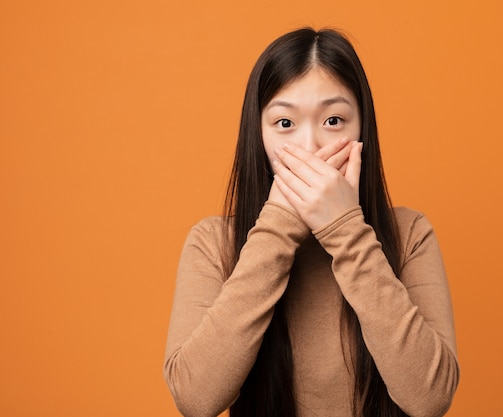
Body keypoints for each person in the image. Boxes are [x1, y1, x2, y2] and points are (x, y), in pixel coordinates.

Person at [163, 28, 459, 417]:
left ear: (362, 131)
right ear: (258, 135)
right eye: (285, 124)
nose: (309, 147)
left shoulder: (410, 234)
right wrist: (278, 226)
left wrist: (346, 230)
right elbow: (196, 399)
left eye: (333, 120)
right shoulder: (213, 242)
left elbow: (430, 398)